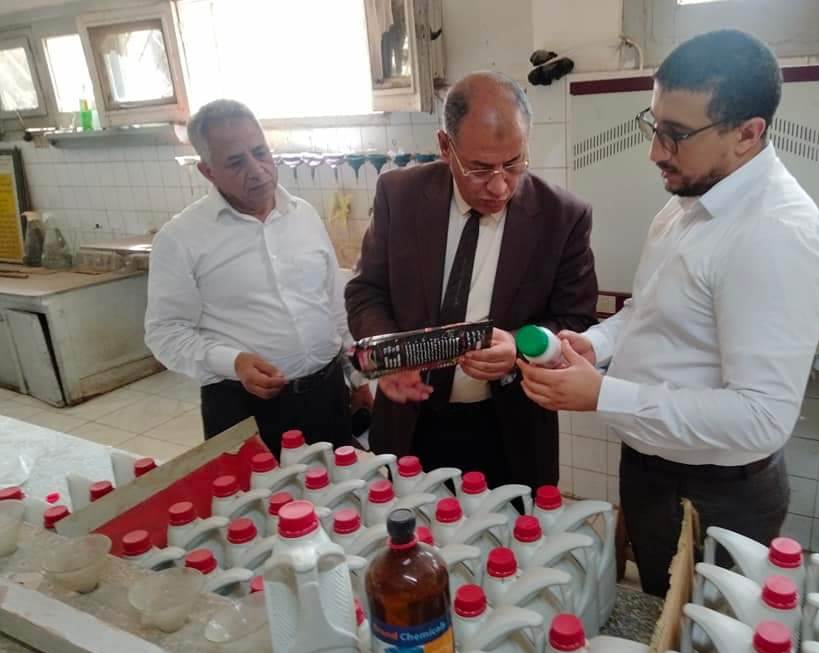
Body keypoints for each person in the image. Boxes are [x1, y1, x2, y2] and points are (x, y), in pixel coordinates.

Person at [518, 30, 819, 597]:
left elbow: (762, 416)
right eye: (654, 125)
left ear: (748, 133)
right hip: (655, 470)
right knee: (657, 615)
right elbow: (649, 310)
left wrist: (605, 395)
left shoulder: (775, 236)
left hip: (716, 495)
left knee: (700, 639)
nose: (655, 151)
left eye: (677, 134)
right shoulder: (687, 206)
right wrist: (599, 344)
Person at [345, 71, 598, 491]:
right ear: (445, 146)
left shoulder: (562, 217)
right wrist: (389, 357)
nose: (499, 186)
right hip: (410, 423)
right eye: (479, 169)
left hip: (509, 430)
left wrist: (518, 347)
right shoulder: (400, 195)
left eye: (514, 164)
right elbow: (366, 292)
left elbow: (577, 322)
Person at [145, 99, 364, 458]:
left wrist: (356, 373)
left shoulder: (303, 215)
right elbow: (165, 333)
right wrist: (233, 361)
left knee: (339, 489)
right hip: (243, 408)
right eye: (236, 162)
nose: (257, 170)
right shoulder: (181, 238)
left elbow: (332, 304)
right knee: (257, 494)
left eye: (260, 152)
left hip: (326, 397)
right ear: (208, 171)